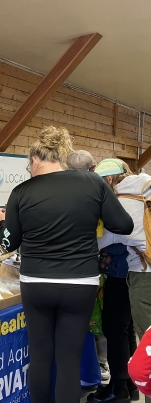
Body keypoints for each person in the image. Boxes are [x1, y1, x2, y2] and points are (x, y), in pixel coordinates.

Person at [0, 126, 134, 403]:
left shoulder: (21, 191)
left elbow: (8, 244)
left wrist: (2, 221)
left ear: (35, 160)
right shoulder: (92, 183)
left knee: (41, 356)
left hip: (37, 283)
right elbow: (124, 224)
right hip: (80, 283)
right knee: (68, 361)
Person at [89, 158, 151, 403]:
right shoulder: (145, 187)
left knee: (137, 333)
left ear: (110, 180)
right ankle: (131, 386)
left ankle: (128, 390)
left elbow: (101, 241)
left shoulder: (120, 201)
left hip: (139, 272)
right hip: (139, 269)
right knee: (129, 330)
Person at [66, 150, 111, 384]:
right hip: (92, 267)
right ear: (93, 169)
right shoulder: (98, 193)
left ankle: (98, 366)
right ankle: (99, 366)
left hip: (68, 269)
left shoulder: (60, 192)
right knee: (95, 317)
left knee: (90, 319)